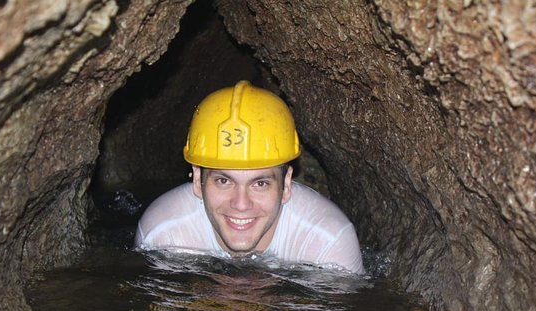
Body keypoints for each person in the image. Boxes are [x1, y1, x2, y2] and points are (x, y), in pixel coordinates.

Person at [134, 80, 365, 274]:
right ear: (197, 180)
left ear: (286, 184)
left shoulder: (328, 243)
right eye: (224, 181)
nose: (241, 204)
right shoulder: (164, 236)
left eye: (260, 183)